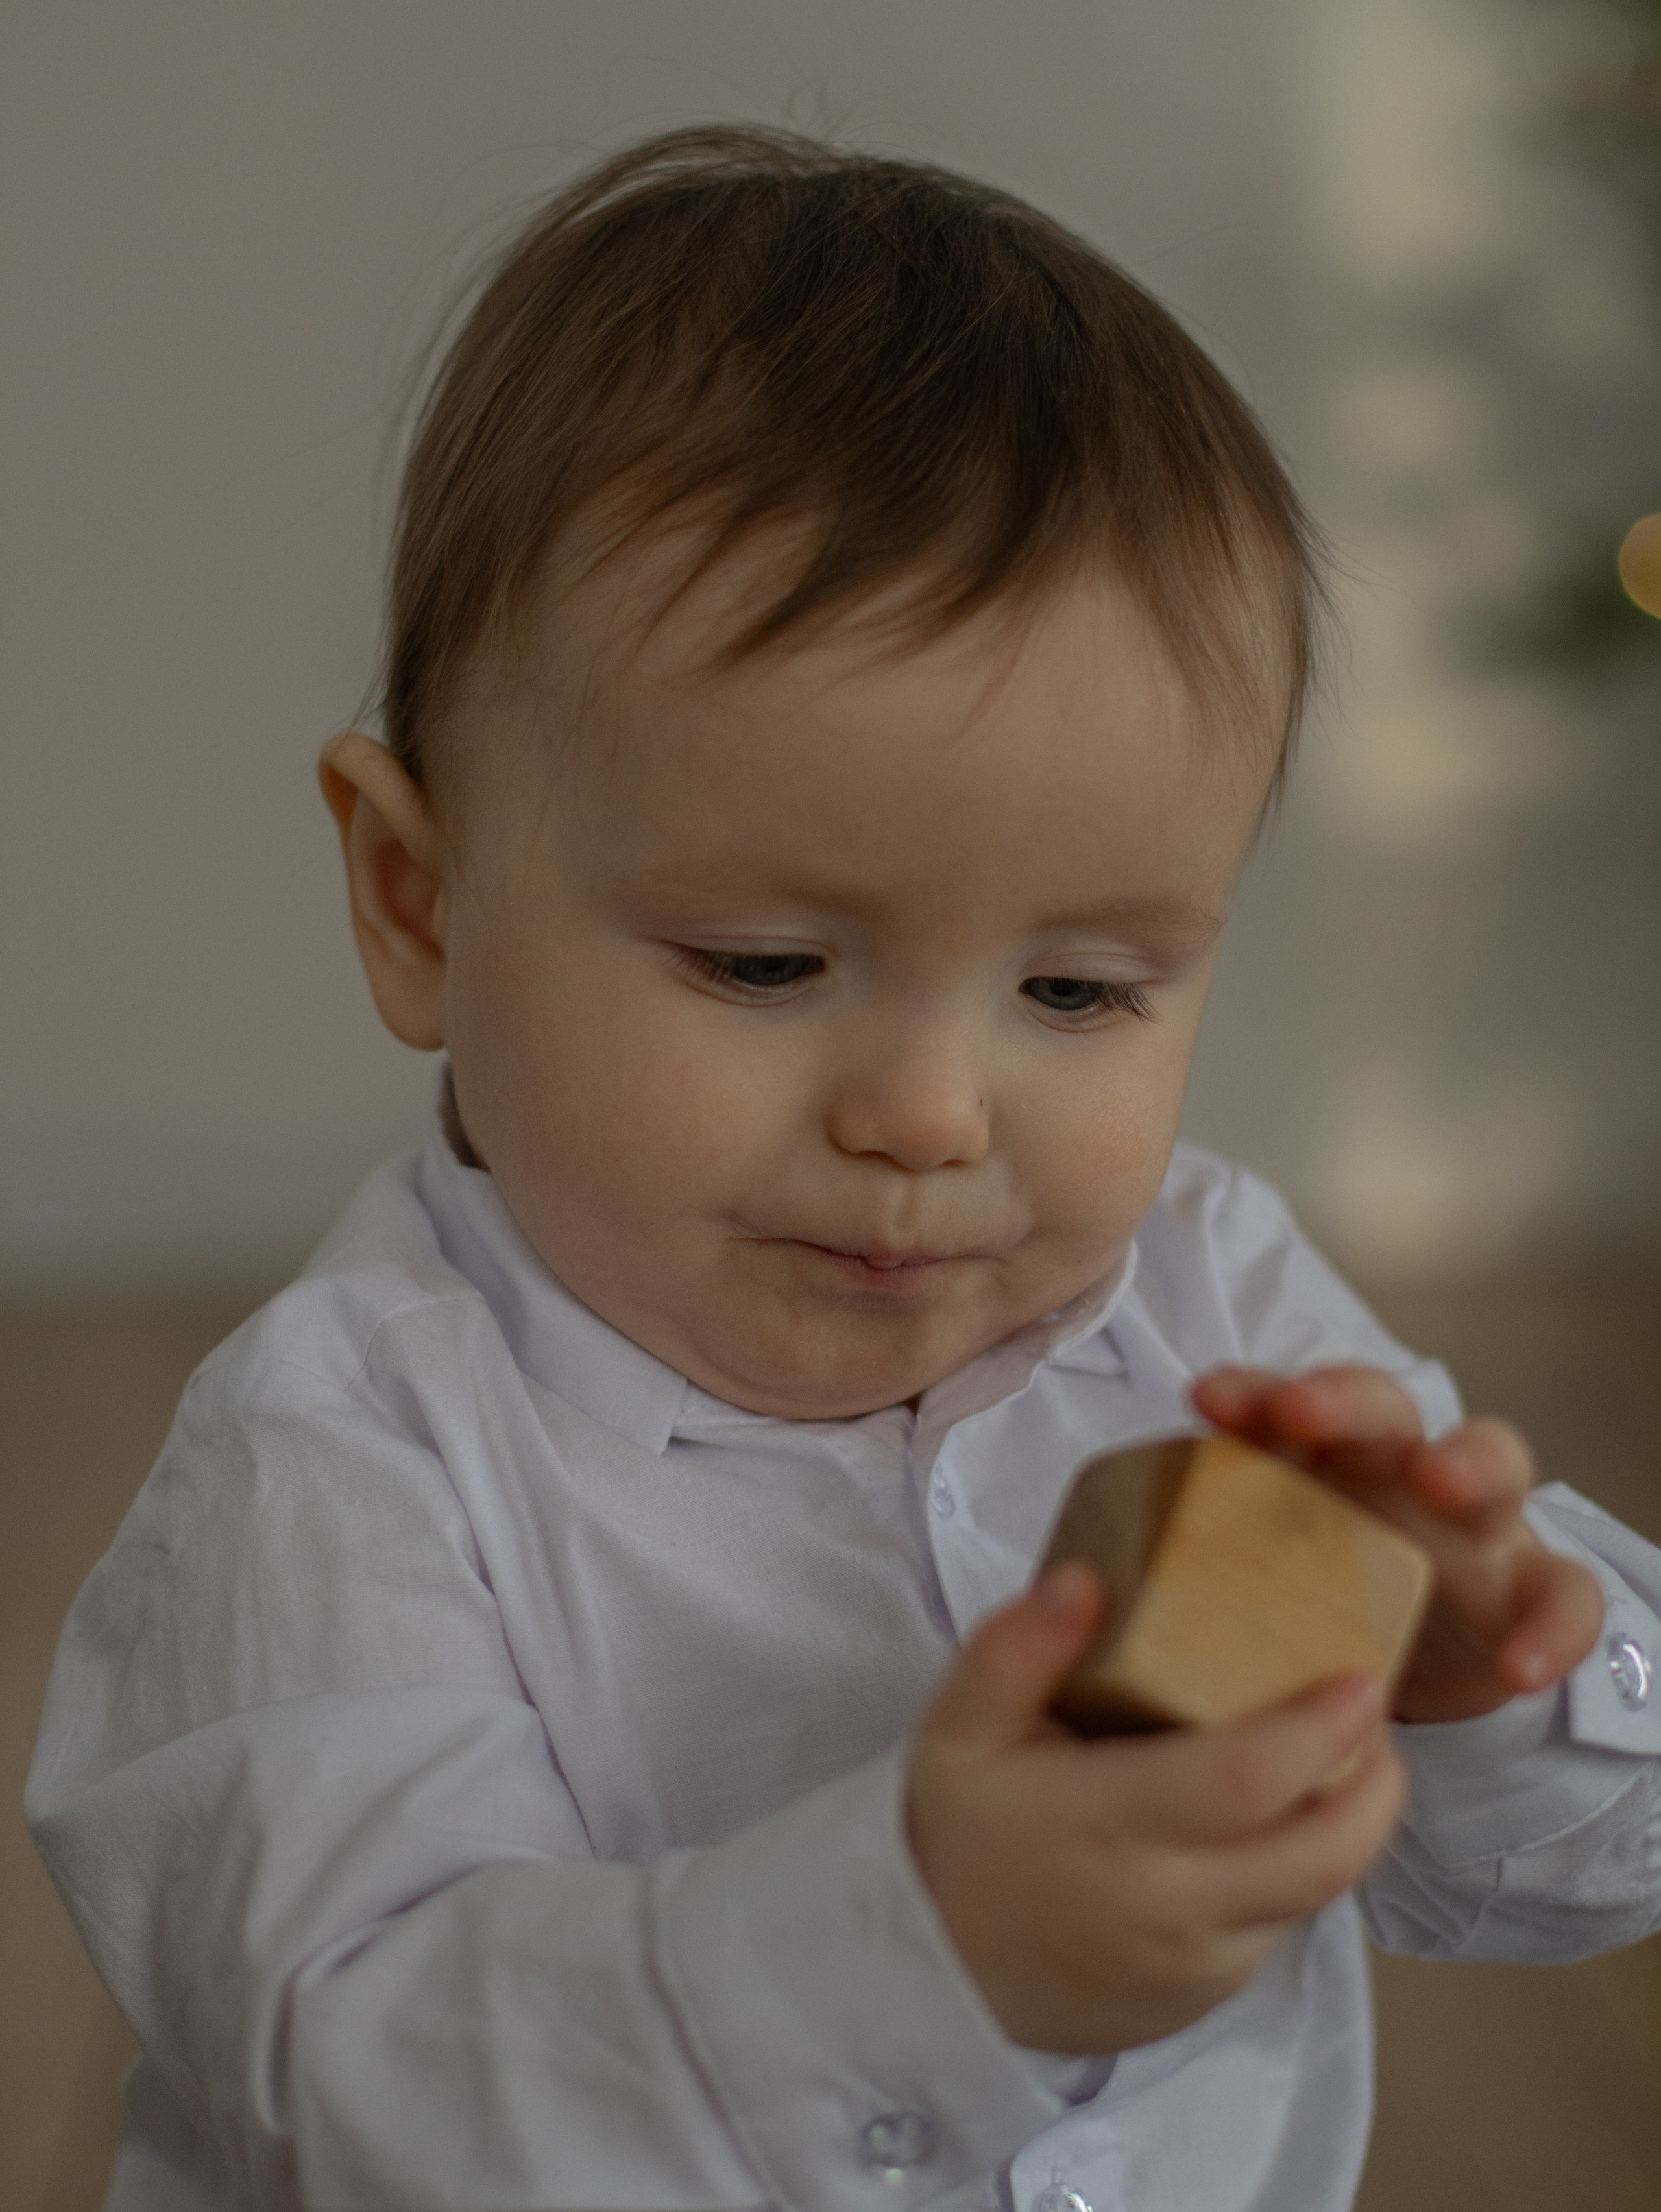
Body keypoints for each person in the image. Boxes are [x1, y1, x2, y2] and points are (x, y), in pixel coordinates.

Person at [27, 126, 1661, 2212]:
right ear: (419, 901)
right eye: (768, 961)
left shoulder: (1212, 1298)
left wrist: (1502, 1669)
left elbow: (1583, 1871)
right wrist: (920, 1957)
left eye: (1079, 990)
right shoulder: (337, 1467)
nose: (933, 1113)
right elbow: (368, 2087)